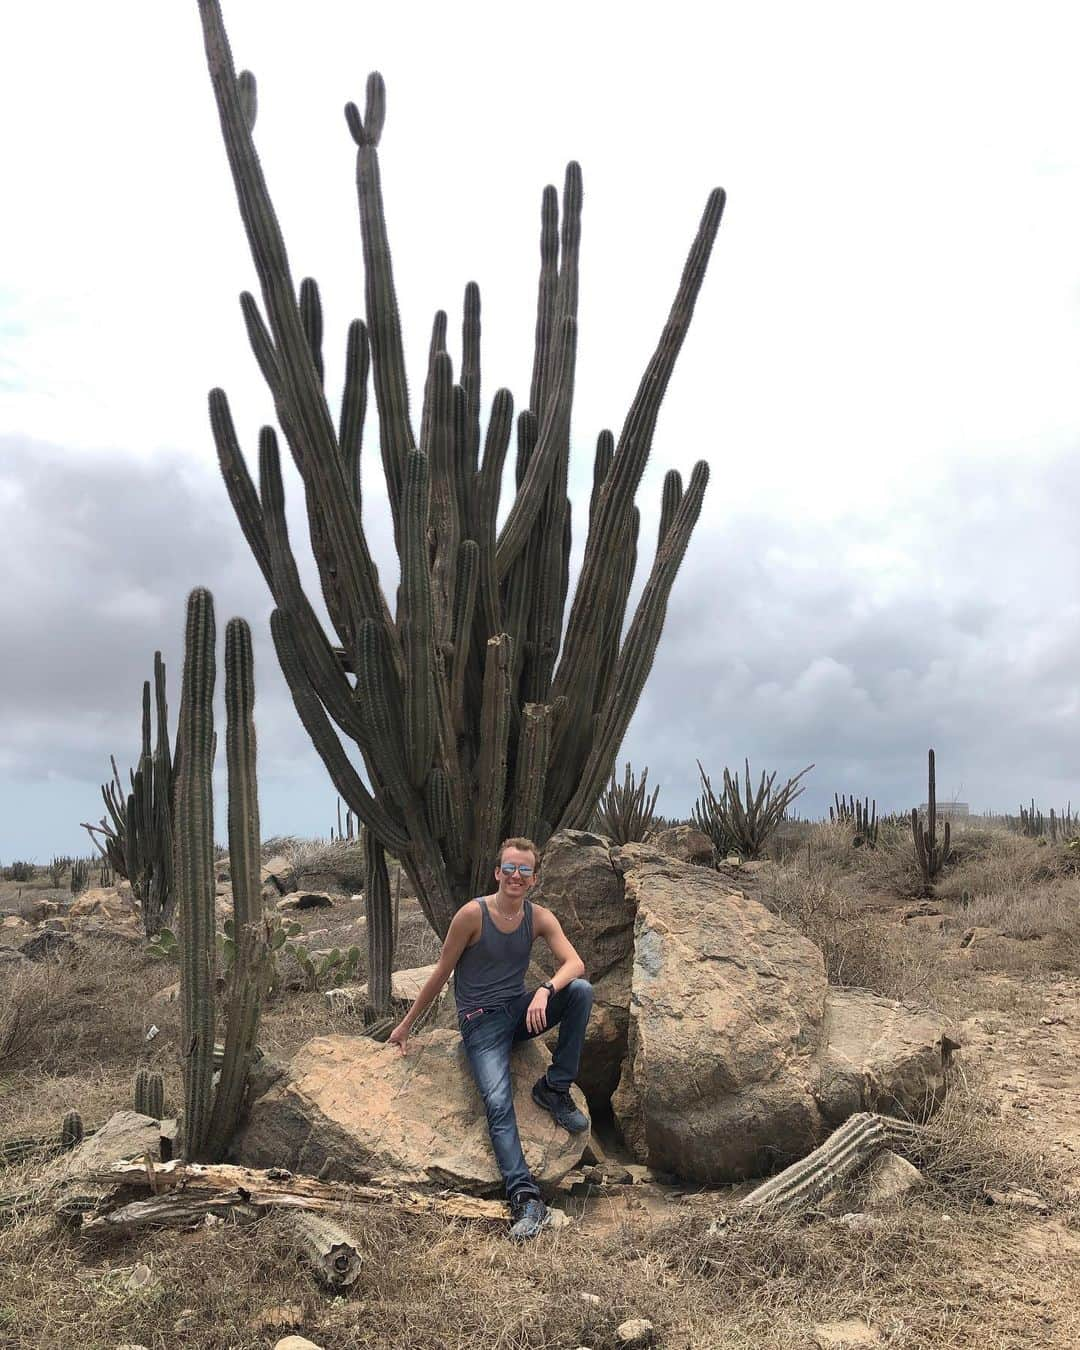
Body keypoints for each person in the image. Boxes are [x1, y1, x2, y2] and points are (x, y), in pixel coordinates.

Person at [388, 836, 594, 1241]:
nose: (516, 876)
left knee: (581, 992)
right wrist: (407, 1024)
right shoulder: (472, 915)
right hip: (480, 1024)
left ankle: (554, 1088)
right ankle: (525, 1198)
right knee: (498, 1103)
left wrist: (545, 990)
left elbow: (575, 963)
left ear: (533, 879)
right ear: (498, 873)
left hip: (518, 1012)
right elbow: (442, 971)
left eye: (525, 870)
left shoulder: (538, 918)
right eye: (510, 869)